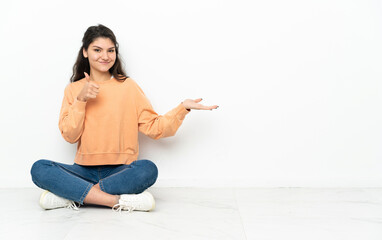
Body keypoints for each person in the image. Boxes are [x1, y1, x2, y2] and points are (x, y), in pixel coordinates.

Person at [30, 24, 219, 213]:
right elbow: (70, 136)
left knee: (147, 169)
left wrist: (183, 108)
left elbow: (155, 128)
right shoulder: (73, 90)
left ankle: (73, 196)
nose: (105, 56)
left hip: (120, 172)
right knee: (39, 168)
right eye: (97, 50)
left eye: (110, 50)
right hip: (82, 171)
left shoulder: (128, 87)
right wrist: (81, 100)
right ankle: (115, 200)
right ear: (85, 52)